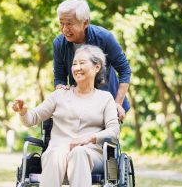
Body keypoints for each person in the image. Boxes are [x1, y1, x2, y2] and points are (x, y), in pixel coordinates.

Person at [12, 45, 120, 187]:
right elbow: (32, 118)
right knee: (56, 154)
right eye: (74, 64)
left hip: (91, 154)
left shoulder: (105, 98)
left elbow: (114, 130)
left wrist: (89, 138)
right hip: (57, 152)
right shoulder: (59, 95)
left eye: (82, 63)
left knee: (79, 152)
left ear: (97, 67)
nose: (77, 68)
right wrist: (23, 112)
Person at [53, 0, 131, 121]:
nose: (64, 29)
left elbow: (125, 70)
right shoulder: (58, 43)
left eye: (69, 23)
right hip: (80, 106)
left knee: (102, 139)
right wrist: (60, 88)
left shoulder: (105, 37)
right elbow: (60, 78)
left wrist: (117, 103)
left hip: (109, 103)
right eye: (61, 23)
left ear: (85, 23)